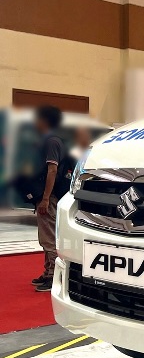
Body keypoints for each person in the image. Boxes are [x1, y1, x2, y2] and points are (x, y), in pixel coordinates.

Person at [31, 106, 67, 292]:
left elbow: (52, 170)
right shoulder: (53, 140)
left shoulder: (51, 141)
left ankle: (53, 276)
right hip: (49, 195)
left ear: (44, 120)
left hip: (49, 196)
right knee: (46, 235)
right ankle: (48, 272)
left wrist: (45, 199)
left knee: (49, 237)